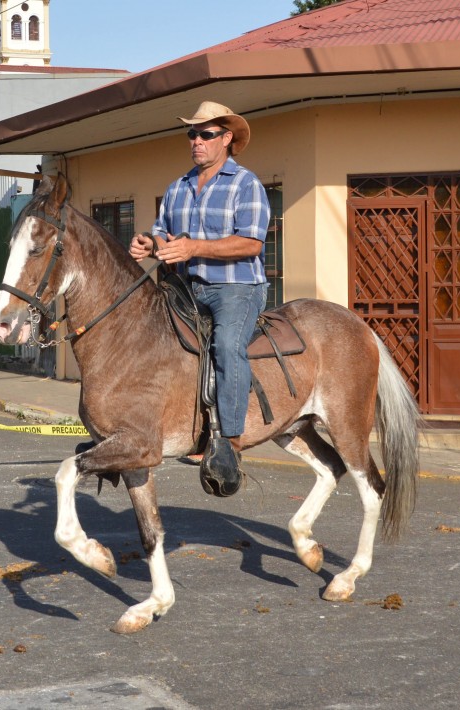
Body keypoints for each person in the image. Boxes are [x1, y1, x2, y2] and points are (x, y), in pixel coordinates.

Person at [129, 101, 270, 497]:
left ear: (226, 139)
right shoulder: (178, 187)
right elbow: (164, 234)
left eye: (205, 134)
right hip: (187, 288)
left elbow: (251, 242)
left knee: (226, 345)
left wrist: (193, 248)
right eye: (192, 134)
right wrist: (149, 243)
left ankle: (229, 441)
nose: (196, 141)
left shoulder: (246, 184)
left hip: (236, 288)